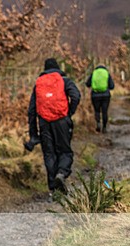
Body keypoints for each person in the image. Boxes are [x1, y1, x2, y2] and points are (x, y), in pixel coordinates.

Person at [26, 57, 81, 199]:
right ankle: (61, 174)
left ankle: (53, 190)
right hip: (62, 121)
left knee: (49, 154)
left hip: (44, 122)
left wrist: (33, 133)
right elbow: (76, 96)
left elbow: (31, 110)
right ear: (57, 67)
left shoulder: (39, 84)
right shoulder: (64, 80)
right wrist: (69, 113)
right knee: (65, 151)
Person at [85, 64, 115, 133]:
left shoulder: (94, 73)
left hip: (95, 95)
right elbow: (112, 86)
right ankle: (104, 127)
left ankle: (98, 123)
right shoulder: (106, 73)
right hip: (106, 95)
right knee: (105, 111)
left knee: (97, 111)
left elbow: (87, 84)